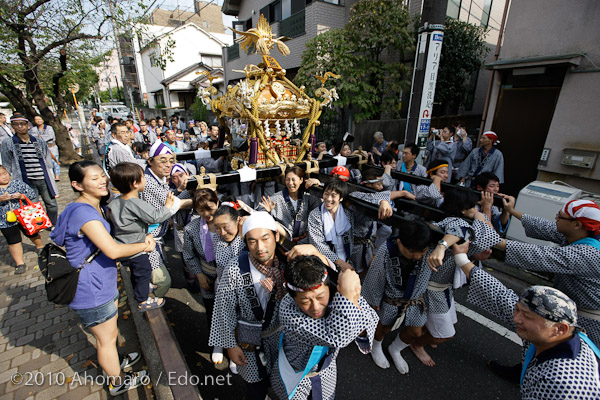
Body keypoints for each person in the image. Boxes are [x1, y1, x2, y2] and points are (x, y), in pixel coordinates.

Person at [50, 161, 150, 396]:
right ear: (77, 185)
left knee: (110, 333)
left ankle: (116, 361)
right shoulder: (84, 214)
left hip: (101, 282)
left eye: (102, 175)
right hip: (91, 289)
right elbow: (113, 251)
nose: (102, 180)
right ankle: (117, 382)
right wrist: (144, 246)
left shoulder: (86, 206)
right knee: (105, 340)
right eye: (93, 178)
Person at [453, 240, 600, 399]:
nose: (516, 318)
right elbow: (501, 296)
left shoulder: (564, 383)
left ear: (560, 329)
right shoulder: (553, 332)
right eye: (518, 310)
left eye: (526, 316)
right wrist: (462, 259)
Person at [495, 198, 600, 347]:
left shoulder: (590, 253)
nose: (555, 218)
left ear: (576, 225)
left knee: (564, 355)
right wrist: (512, 211)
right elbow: (544, 227)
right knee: (543, 345)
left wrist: (492, 241)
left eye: (560, 216)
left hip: (588, 319)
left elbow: (541, 255)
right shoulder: (579, 234)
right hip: (569, 307)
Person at [271, 256, 378, 400]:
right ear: (293, 297)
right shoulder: (288, 311)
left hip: (325, 372)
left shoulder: (337, 295)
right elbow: (338, 337)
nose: (315, 307)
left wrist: (349, 296)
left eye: (321, 297)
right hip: (296, 374)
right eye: (305, 300)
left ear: (330, 286)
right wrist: (350, 296)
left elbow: (371, 318)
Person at [208, 211, 286, 399]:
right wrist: (230, 345)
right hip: (248, 341)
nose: (260, 247)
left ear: (276, 236)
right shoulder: (236, 267)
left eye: (265, 238)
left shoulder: (286, 263)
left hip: (280, 337)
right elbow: (223, 309)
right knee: (254, 385)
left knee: (281, 381)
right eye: (252, 241)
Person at [107, 162, 180, 311]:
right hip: (136, 247)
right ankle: (143, 300)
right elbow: (155, 217)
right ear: (135, 184)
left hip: (122, 245)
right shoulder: (136, 203)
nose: (145, 180)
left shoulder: (115, 202)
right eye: (143, 177)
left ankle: (143, 287)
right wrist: (167, 206)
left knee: (137, 272)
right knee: (143, 271)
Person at [362, 220, 432, 373]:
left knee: (415, 331)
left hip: (415, 300)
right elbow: (376, 275)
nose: (418, 256)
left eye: (422, 252)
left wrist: (443, 246)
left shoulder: (433, 248)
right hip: (392, 298)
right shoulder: (388, 250)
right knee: (384, 326)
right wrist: (373, 300)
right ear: (400, 243)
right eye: (413, 252)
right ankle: (376, 346)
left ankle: (395, 349)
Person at [139, 141, 193, 299]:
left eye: (171, 160)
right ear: (150, 161)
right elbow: (175, 205)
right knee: (162, 282)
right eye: (162, 160)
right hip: (148, 239)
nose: (168, 165)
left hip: (154, 237)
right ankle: (148, 306)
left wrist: (182, 191)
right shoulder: (149, 182)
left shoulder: (158, 178)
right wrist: (199, 199)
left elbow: (172, 199)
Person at [1, 113, 58, 225]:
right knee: (32, 205)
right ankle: (37, 225)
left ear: (28, 125)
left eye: (23, 124)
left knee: (51, 203)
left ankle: (53, 223)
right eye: (16, 124)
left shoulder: (38, 141)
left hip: (43, 177)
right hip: (25, 179)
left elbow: (46, 157)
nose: (20, 126)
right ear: (13, 126)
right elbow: (6, 162)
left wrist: (50, 171)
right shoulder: (8, 143)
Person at [258, 166, 321, 244]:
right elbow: (258, 213)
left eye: (293, 179)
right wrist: (268, 213)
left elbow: (320, 204)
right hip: (284, 241)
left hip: (305, 241)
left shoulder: (307, 197)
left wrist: (317, 184)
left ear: (301, 180)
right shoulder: (277, 198)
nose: (290, 183)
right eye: (287, 179)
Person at [0, 165, 44, 274]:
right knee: (13, 241)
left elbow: (31, 194)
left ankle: (40, 246)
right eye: (0, 176)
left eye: (4, 173)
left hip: (24, 215)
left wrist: (21, 196)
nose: (4, 177)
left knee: (32, 233)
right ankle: (19, 263)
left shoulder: (17, 183)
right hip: (4, 221)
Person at [30, 115, 61, 181]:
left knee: (55, 161)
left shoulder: (49, 128)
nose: (38, 121)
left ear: (43, 120)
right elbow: (33, 137)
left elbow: (50, 136)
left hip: (51, 146)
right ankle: (50, 176)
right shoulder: (34, 129)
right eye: (36, 119)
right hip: (41, 148)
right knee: (46, 162)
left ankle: (57, 175)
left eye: (39, 119)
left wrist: (40, 137)